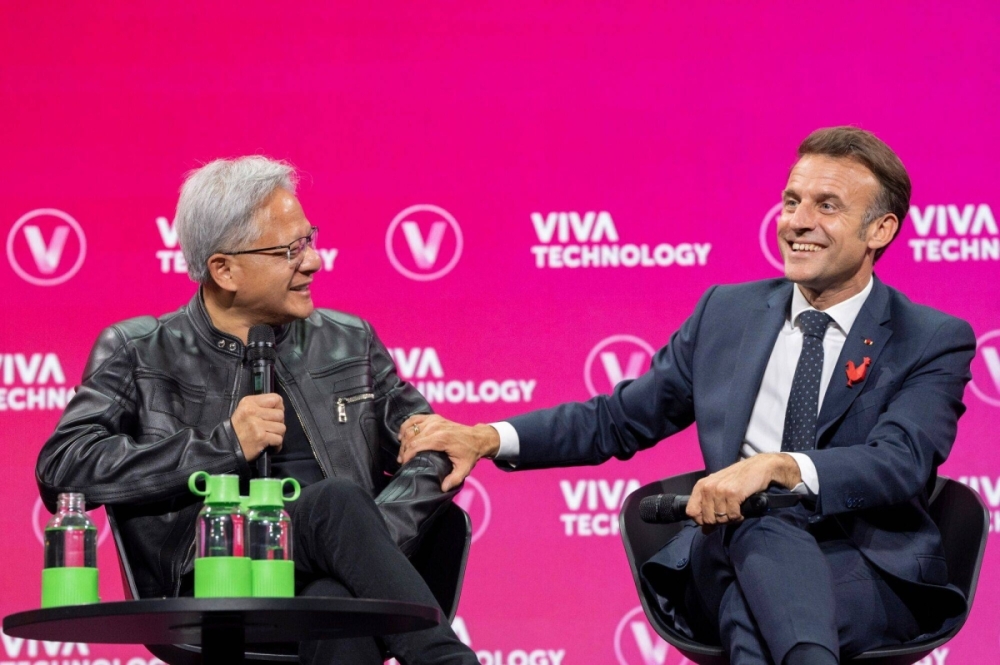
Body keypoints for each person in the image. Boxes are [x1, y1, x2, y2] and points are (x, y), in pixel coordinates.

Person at [397, 127, 977, 665]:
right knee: (759, 527)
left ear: (881, 230)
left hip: (862, 564)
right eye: (793, 200)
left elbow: (899, 461)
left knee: (751, 605)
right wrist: (488, 437)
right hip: (729, 545)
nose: (798, 221)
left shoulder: (930, 338)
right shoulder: (727, 313)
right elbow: (619, 420)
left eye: (827, 206)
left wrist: (776, 468)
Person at [36, 157, 477, 665]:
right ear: (225, 269)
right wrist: (223, 446)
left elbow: (435, 447)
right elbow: (62, 466)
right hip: (215, 580)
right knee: (335, 508)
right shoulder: (139, 350)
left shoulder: (349, 341)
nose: (313, 261)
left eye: (309, 239)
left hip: (341, 577)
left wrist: (367, 537)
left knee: (334, 600)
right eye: (291, 250)